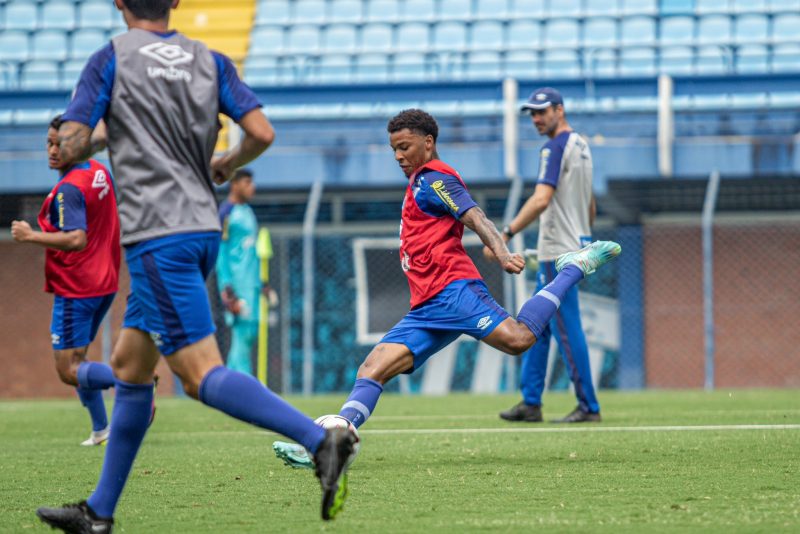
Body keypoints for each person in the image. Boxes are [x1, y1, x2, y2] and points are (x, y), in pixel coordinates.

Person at [36, 1, 355, 531]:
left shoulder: (110, 58)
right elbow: (261, 132)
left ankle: (321, 440)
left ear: (119, 3)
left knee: (199, 375)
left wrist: (94, 128)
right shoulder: (209, 59)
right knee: (131, 368)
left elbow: (70, 144)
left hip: (158, 234)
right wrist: (228, 163)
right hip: (201, 226)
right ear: (176, 2)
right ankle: (99, 513)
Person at [272, 109, 620, 469]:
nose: (398, 156)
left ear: (428, 142)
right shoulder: (420, 181)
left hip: (453, 291)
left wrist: (501, 253)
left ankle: (572, 268)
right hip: (426, 306)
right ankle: (328, 443)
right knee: (372, 368)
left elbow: (475, 216)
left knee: (518, 339)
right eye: (394, 149)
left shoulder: (436, 179)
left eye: (405, 147)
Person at [11, 114, 119, 447]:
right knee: (80, 361)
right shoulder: (98, 172)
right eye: (49, 142)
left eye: (61, 143)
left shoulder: (68, 189)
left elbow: (76, 239)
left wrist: (31, 236)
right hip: (105, 280)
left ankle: (133, 381)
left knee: (67, 368)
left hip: (78, 286)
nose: (53, 150)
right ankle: (102, 429)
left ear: (77, 144)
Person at [498, 87, 602, 424]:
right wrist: (584, 236)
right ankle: (531, 402)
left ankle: (588, 406)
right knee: (537, 324)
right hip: (575, 245)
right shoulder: (582, 145)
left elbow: (542, 199)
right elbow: (590, 204)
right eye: (532, 113)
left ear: (560, 109)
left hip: (558, 250)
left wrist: (507, 233)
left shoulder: (554, 147)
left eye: (542, 111)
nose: (537, 119)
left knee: (564, 327)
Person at [216, 168, 260, 375]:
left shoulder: (248, 212)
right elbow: (221, 253)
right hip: (238, 287)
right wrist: (227, 290)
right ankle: (241, 389)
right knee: (241, 340)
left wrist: (263, 284)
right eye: (247, 183)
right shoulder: (226, 213)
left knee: (248, 336)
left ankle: (232, 389)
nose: (252, 187)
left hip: (252, 287)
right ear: (235, 184)